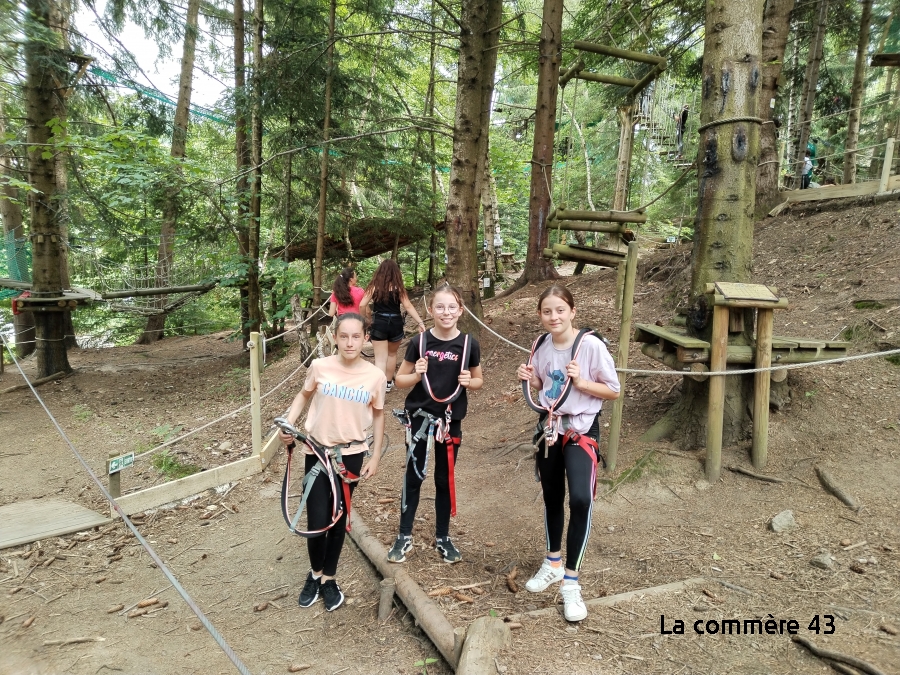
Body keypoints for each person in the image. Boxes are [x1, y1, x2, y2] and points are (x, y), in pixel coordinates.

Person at [516, 285, 620, 622]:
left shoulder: (589, 345)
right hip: (550, 429)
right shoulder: (541, 345)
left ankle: (571, 581)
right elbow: (547, 385)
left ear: (572, 311)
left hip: (580, 430)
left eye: (560, 310)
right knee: (551, 497)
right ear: (540, 315)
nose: (554, 317)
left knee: (580, 499)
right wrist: (529, 380)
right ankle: (553, 562)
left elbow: (613, 390)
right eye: (547, 311)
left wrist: (583, 384)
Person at [278, 312, 386, 612]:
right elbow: (303, 395)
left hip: (350, 455)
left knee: (339, 519)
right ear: (334, 337)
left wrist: (374, 454)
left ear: (365, 338)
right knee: (316, 521)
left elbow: (378, 414)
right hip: (316, 452)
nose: (349, 342)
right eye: (343, 336)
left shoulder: (375, 376)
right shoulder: (320, 366)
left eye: (356, 336)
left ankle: (329, 577)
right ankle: (314, 574)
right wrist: (288, 425)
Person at [387, 284, 483, 564]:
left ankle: (443, 536)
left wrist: (470, 383)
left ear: (461, 310)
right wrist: (416, 374)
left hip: (450, 421)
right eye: (440, 307)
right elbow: (399, 380)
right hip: (420, 419)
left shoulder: (468, 344)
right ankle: (404, 535)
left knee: (444, 478)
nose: (446, 312)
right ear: (430, 310)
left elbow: (478, 380)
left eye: (452, 307)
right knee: (414, 476)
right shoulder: (420, 343)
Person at [359, 259, 426, 392]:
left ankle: (379, 386)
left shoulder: (373, 287)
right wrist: (420, 322)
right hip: (396, 323)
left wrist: (366, 319)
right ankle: (388, 384)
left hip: (379, 323)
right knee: (391, 355)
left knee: (380, 358)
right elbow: (407, 305)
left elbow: (362, 304)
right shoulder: (398, 288)